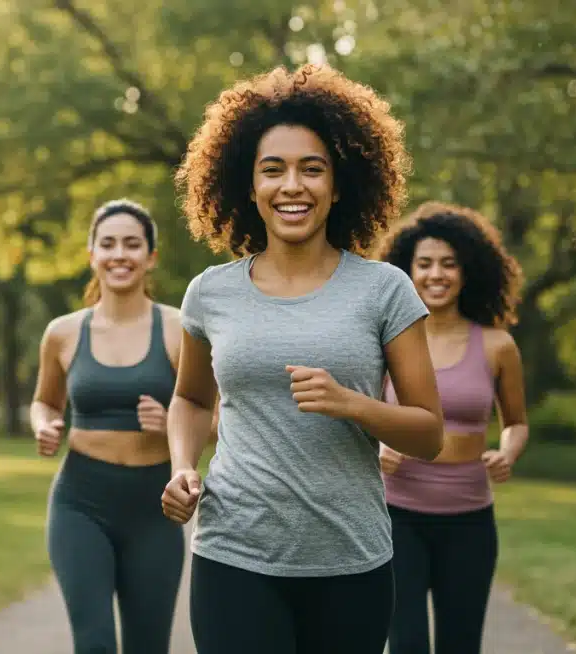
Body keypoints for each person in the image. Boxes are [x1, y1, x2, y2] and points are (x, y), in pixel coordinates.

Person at [160, 63, 445, 654]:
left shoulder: (385, 290)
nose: (293, 185)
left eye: (312, 169)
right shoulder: (210, 292)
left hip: (351, 559)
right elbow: (189, 398)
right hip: (233, 553)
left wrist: (353, 405)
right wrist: (183, 465)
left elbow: (428, 434)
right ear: (249, 186)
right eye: (273, 170)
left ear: (338, 186)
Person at [29, 199, 185, 654]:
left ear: (150, 257)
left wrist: (171, 422)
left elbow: (214, 418)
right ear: (92, 254)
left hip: (154, 510)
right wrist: (45, 424)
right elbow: (44, 401)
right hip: (80, 504)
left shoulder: (179, 329)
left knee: (148, 645)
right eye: (109, 244)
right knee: (93, 642)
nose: (120, 254)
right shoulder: (63, 333)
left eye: (132, 245)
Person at [373, 201, 529, 654]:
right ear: (406, 270)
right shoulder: (383, 341)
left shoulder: (497, 345)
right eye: (424, 264)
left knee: (461, 644)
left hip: (469, 521)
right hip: (396, 516)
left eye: (449, 264)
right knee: (406, 643)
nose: (436, 275)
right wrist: (377, 443)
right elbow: (361, 412)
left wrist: (507, 451)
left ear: (467, 272)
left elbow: (516, 422)